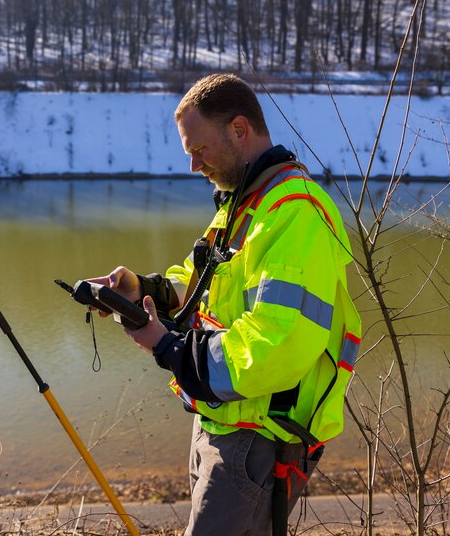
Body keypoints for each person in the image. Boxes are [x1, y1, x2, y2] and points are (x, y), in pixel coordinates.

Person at [89, 73, 360, 535]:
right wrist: (145, 289)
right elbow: (202, 284)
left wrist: (169, 349)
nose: (194, 165)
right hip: (220, 421)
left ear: (239, 130)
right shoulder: (244, 204)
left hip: (256, 440)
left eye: (200, 150)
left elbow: (276, 347)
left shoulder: (296, 216)